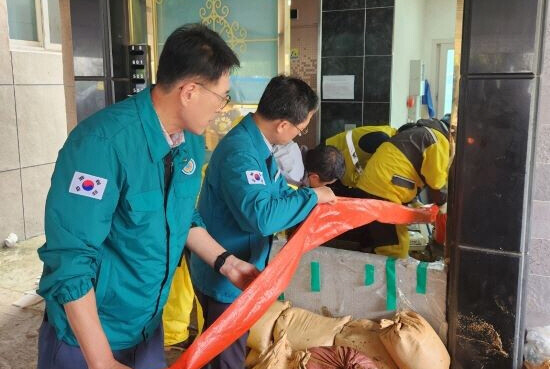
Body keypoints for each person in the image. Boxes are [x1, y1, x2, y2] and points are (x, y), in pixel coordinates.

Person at [36, 24, 259, 369]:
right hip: (87, 341)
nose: (223, 109)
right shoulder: (101, 145)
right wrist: (102, 362)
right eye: (221, 97)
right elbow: (70, 261)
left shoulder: (191, 142)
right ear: (188, 91)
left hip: (145, 330)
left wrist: (228, 264)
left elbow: (183, 216)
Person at [189, 75, 337, 369]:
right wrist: (312, 198)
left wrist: (313, 203)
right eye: (300, 129)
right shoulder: (241, 153)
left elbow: (278, 193)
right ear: (283, 124)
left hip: (239, 270)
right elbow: (262, 217)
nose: (299, 136)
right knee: (225, 358)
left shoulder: (261, 147)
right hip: (224, 275)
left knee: (225, 352)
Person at [345, 118, 450, 258]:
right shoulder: (438, 140)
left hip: (373, 186)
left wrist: (413, 200)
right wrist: (444, 204)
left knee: (377, 241)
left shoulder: (420, 133)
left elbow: (405, 166)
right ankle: (388, 279)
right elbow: (436, 179)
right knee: (395, 249)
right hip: (384, 192)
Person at [325, 125, 396, 195]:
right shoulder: (381, 139)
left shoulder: (389, 133)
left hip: (335, 158)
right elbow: (347, 174)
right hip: (330, 161)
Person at [273, 142, 345, 188]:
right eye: (325, 184)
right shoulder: (292, 182)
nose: (324, 187)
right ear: (314, 177)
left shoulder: (291, 145)